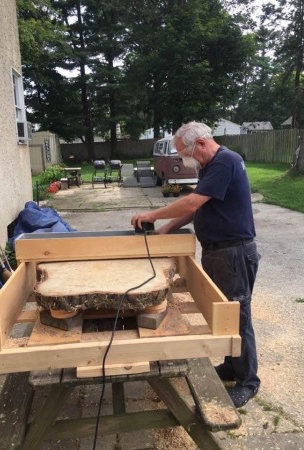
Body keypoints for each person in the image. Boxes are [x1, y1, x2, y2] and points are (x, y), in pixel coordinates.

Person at [131, 121, 261, 408]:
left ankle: (248, 382)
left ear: (201, 143)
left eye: (186, 152)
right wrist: (164, 229)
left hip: (234, 253)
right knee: (224, 313)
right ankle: (231, 365)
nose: (186, 159)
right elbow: (196, 209)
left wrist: (154, 214)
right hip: (219, 252)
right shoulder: (210, 166)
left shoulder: (226, 161)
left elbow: (191, 203)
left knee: (238, 316)